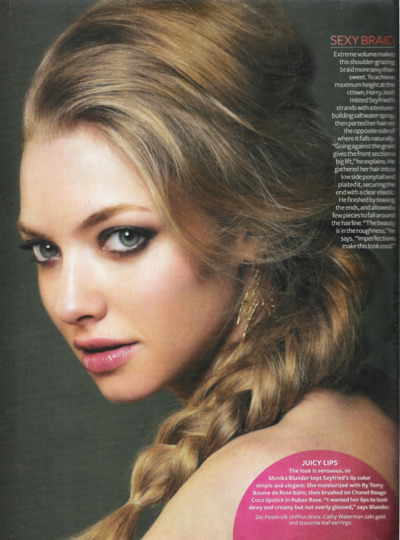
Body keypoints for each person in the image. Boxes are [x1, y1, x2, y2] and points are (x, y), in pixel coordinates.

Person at [17, 0, 397, 538]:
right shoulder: (349, 427)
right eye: (45, 250)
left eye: (125, 237)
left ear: (252, 225)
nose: (70, 303)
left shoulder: (259, 490)